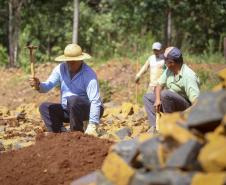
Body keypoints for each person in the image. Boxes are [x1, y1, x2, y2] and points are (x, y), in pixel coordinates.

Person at [29, 43, 103, 136]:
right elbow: (47, 86)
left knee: (73, 100)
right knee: (45, 107)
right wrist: (38, 85)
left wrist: (93, 125)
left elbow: (95, 101)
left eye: (73, 61)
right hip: (69, 109)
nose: (70, 64)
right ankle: (60, 134)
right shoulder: (60, 69)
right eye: (68, 61)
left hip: (87, 109)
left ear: (81, 60)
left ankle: (76, 134)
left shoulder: (89, 74)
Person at [143, 47, 200, 133]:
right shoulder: (169, 70)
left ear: (171, 63)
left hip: (185, 108)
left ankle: (170, 126)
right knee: (148, 97)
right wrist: (157, 100)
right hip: (170, 103)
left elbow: (197, 103)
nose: (164, 63)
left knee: (165, 94)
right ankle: (154, 127)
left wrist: (182, 116)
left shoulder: (189, 76)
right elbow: (158, 85)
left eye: (165, 61)